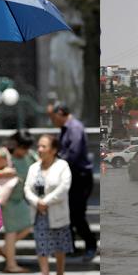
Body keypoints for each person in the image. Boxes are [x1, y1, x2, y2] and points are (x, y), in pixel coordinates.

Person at [48, 102, 97, 261]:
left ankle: (91, 245)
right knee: (68, 213)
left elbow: (73, 153)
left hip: (80, 177)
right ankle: (70, 248)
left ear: (61, 112)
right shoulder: (65, 129)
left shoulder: (74, 128)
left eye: (53, 117)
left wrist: (55, 163)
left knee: (77, 214)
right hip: (71, 176)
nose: (52, 121)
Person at [25, 134, 73, 275]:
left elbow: (64, 187)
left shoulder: (62, 166)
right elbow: (27, 188)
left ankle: (60, 274)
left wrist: (45, 201)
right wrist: (36, 202)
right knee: (41, 243)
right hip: (39, 212)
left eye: (44, 146)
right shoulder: (33, 167)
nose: (40, 149)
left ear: (53, 150)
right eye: (39, 146)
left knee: (59, 244)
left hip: (56, 211)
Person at [0, 130, 36, 273]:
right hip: (7, 199)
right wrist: (4, 173)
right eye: (23, 147)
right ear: (15, 144)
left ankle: (6, 249)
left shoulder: (29, 155)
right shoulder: (4, 154)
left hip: (20, 198)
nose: (24, 151)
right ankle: (11, 265)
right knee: (11, 230)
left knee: (29, 225)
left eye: (26, 148)